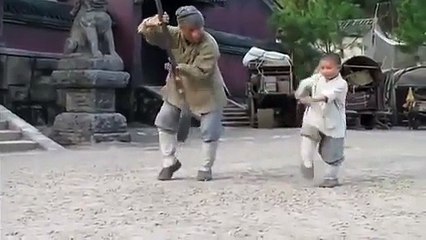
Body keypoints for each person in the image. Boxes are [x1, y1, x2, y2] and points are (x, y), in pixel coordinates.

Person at [137, 6, 227, 181]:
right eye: (191, 30)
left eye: (199, 29)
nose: (197, 34)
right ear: (182, 29)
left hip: (207, 92)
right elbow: (147, 33)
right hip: (178, 89)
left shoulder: (210, 45)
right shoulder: (173, 34)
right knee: (164, 120)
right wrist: (154, 22)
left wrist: (178, 68)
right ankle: (169, 161)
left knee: (210, 130)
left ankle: (205, 167)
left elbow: (202, 72)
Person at [295, 53, 348, 188]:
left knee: (332, 154)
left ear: (338, 68)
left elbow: (327, 96)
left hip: (333, 123)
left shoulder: (341, 84)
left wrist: (311, 99)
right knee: (307, 139)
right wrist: (300, 94)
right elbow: (305, 84)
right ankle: (307, 164)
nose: (325, 71)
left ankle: (331, 178)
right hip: (314, 117)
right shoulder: (317, 78)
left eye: (328, 68)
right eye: (322, 67)